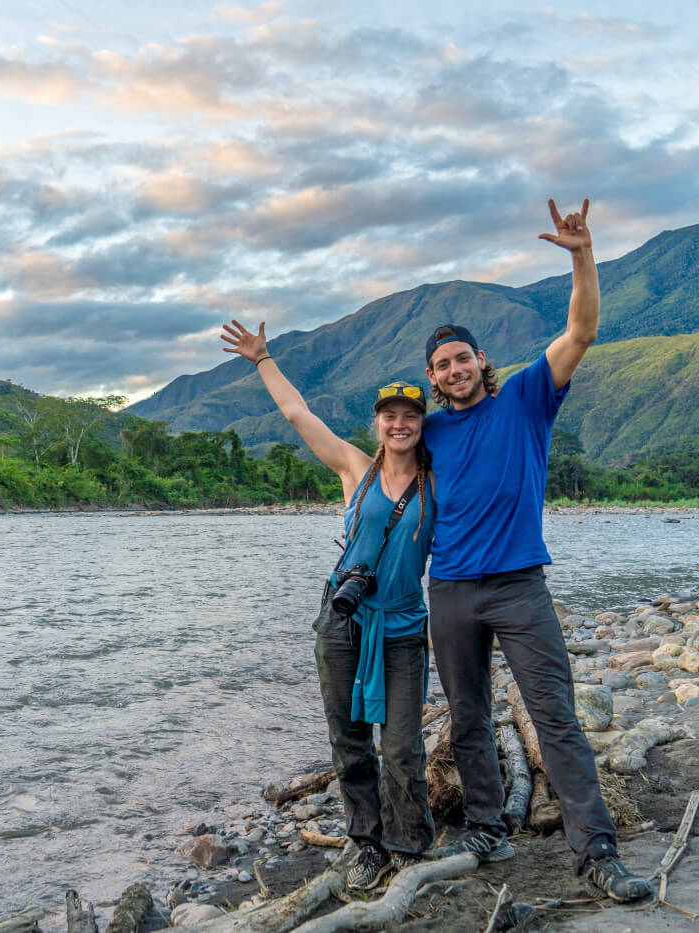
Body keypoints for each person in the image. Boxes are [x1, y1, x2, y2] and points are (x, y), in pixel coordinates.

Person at [423, 199, 653, 901]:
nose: (455, 368)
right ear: (432, 377)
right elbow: (371, 477)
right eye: (442, 363)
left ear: (481, 361)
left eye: (463, 357)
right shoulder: (427, 433)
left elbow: (581, 328)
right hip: (452, 589)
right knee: (466, 717)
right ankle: (487, 827)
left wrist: (582, 254)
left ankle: (598, 853)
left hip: (520, 584)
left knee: (554, 717)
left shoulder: (526, 396)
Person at [220, 319, 436, 891]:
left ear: (422, 423)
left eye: (410, 415)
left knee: (402, 746)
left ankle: (410, 845)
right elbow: (298, 415)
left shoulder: (439, 485)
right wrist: (262, 358)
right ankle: (366, 844)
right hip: (343, 620)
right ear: (378, 423)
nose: (398, 424)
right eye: (389, 415)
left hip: (404, 626)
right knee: (348, 740)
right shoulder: (354, 470)